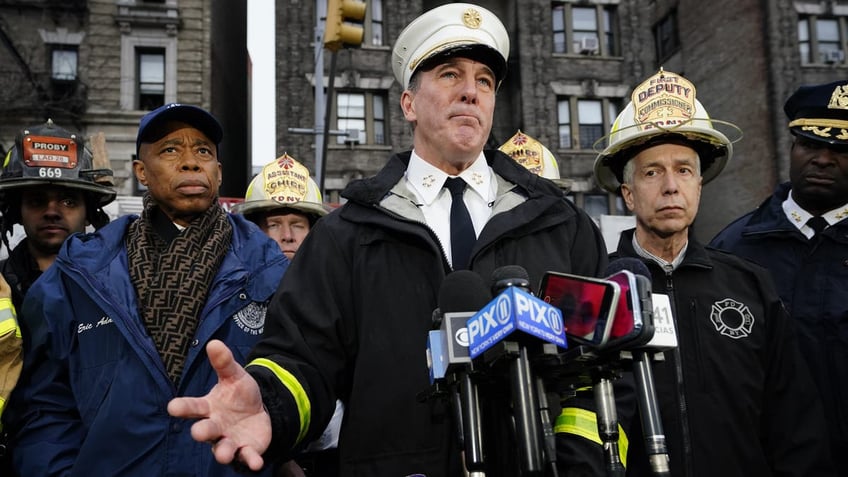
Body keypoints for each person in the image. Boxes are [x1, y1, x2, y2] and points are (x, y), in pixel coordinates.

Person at [169, 3, 609, 476]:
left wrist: (578, 465)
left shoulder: (560, 225)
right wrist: (269, 406)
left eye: (484, 80)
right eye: (449, 75)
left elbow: (600, 366)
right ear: (408, 104)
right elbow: (302, 358)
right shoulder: (347, 234)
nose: (470, 92)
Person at [4, 103, 289, 476]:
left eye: (203, 151)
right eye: (170, 150)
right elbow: (44, 405)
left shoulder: (270, 271)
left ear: (218, 173)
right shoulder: (80, 273)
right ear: (141, 172)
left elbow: (296, 381)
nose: (190, 162)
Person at [593, 68, 835, 476]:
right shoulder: (599, 292)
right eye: (652, 172)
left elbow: (795, 422)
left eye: (684, 170)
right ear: (629, 194)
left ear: (700, 186)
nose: (671, 186)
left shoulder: (751, 285)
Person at [710, 80, 848, 475]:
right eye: (809, 144)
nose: (822, 159)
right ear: (791, 148)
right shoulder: (734, 250)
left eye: (841, 150)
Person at [232, 154, 338, 477]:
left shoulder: (338, 295)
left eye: (297, 225)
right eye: (274, 225)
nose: (287, 236)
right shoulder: (233, 299)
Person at [0, 119, 117, 310]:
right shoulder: (1, 285)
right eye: (37, 201)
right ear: (16, 212)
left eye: (68, 202)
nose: (52, 212)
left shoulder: (119, 283)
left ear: (89, 213)